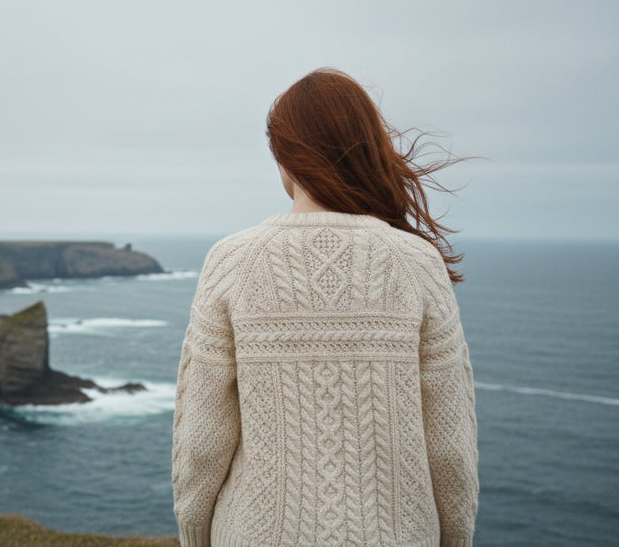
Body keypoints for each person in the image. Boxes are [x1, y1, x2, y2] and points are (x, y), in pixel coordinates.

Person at [171, 68, 479, 547]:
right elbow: (450, 449)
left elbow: (202, 443)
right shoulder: (417, 263)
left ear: (285, 160)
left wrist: (194, 537)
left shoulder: (233, 262)